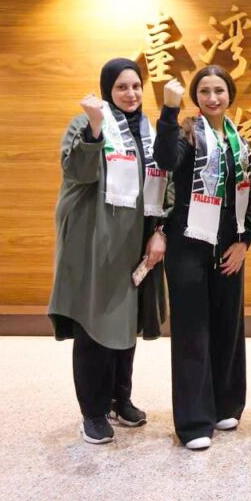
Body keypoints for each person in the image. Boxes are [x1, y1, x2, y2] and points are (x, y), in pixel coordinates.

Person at [49, 58, 169, 445]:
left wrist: (160, 231)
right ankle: (94, 411)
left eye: (135, 86)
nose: (131, 94)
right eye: (121, 87)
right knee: (96, 323)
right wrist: (96, 128)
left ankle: (120, 399)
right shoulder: (85, 123)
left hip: (134, 241)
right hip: (96, 242)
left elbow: (162, 185)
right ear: (107, 90)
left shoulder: (147, 131)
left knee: (126, 323)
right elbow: (78, 172)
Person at [154, 67, 251, 451]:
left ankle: (226, 404)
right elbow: (165, 160)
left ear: (229, 95)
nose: (213, 98)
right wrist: (169, 110)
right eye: (205, 91)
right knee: (192, 333)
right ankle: (194, 421)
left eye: (219, 91)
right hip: (189, 244)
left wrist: (244, 241)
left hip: (228, 247)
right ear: (196, 97)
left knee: (228, 326)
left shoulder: (237, 140)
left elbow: (247, 196)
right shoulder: (186, 133)